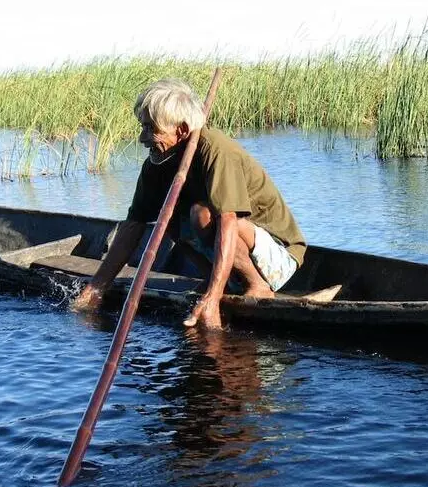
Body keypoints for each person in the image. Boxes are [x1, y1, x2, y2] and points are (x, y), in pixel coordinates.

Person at [71, 78, 306, 329]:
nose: (142, 138)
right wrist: (96, 288)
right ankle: (217, 281)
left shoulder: (215, 149)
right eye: (143, 127)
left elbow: (227, 220)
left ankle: (255, 286)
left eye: (150, 129)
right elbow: (133, 226)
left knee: (200, 213)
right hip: (232, 255)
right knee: (168, 216)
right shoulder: (156, 164)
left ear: (181, 130)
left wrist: (213, 299)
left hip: (277, 259)